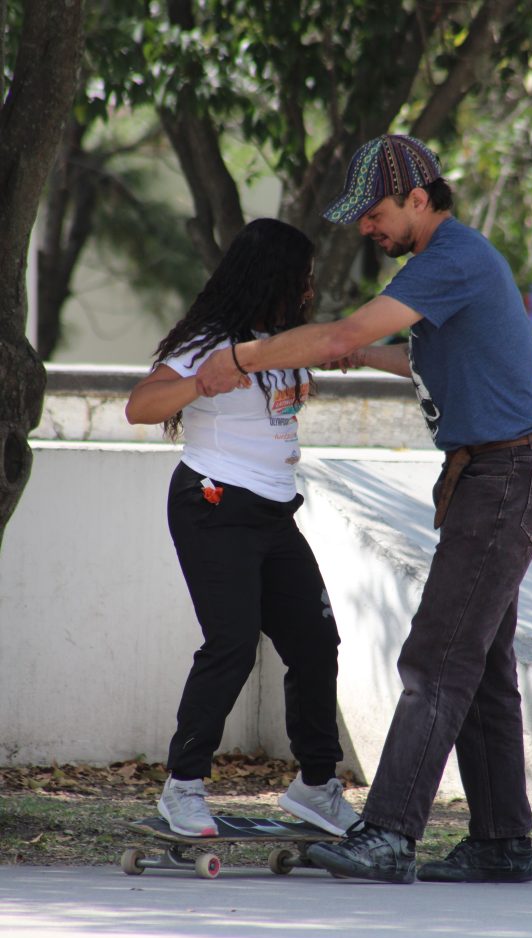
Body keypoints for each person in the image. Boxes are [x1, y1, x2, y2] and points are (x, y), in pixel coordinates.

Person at [191, 136, 532, 883]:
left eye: (374, 212)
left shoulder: (450, 257)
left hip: (503, 477)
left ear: (419, 198)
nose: (365, 227)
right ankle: (501, 843)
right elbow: (418, 358)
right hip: (494, 476)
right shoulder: (446, 264)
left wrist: (242, 358)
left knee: (436, 658)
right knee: (481, 664)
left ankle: (389, 833)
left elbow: (340, 331)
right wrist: (357, 355)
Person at [125, 218, 359, 840]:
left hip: (275, 512)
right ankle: (183, 786)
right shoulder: (209, 342)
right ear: (271, 276)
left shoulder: (277, 343)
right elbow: (140, 407)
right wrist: (199, 381)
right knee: (230, 643)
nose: (308, 288)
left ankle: (316, 786)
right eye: (302, 276)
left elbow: (336, 347)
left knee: (316, 641)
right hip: (214, 503)